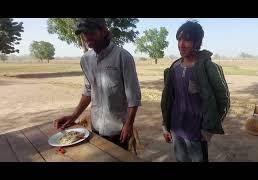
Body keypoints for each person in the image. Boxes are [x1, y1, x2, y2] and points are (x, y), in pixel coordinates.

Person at [54, 18, 141, 150]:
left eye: (90, 31)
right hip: (95, 129)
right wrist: (73, 117)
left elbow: (133, 97)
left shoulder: (123, 57)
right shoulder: (86, 60)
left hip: (118, 131)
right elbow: (88, 92)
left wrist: (129, 124)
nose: (86, 36)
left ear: (104, 31)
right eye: (83, 33)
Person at [161, 20, 230, 162]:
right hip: (177, 129)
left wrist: (208, 130)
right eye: (179, 39)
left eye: (187, 40)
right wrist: (165, 125)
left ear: (197, 42)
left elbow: (224, 100)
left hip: (197, 134)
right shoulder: (174, 67)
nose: (181, 44)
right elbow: (168, 99)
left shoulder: (208, 67)